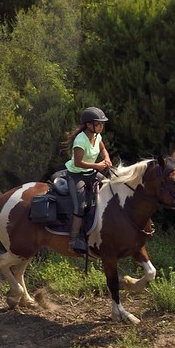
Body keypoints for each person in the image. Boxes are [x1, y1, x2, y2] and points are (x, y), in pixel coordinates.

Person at [66, 107, 113, 254]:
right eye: (98, 124)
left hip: (91, 173)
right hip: (76, 175)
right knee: (80, 206)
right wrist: (97, 166)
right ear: (88, 125)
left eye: (102, 124)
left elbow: (103, 149)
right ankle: (73, 240)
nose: (101, 126)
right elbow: (78, 163)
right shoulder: (80, 140)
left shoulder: (97, 136)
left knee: (110, 188)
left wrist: (107, 158)